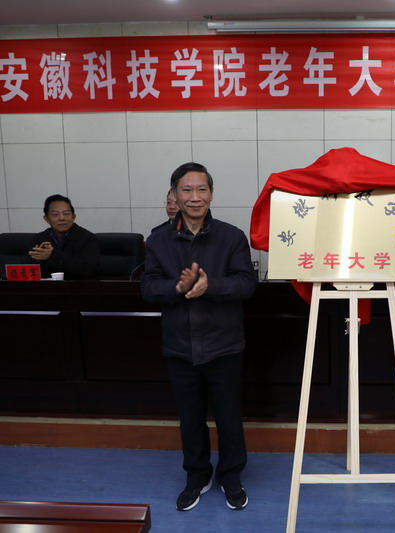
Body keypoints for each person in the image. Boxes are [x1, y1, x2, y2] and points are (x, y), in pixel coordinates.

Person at [141, 162, 257, 513]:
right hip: (180, 346)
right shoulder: (157, 240)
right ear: (174, 195)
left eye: (202, 189)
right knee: (190, 419)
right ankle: (197, 476)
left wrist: (211, 286)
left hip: (224, 345)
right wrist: (177, 288)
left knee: (228, 418)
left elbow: (247, 283)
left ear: (211, 194)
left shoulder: (232, 236)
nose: (195, 197)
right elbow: (148, 288)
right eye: (187, 190)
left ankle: (231, 476)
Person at [27, 194, 99, 279]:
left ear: (73, 217)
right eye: (55, 214)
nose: (62, 218)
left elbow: (88, 268)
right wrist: (37, 260)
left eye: (66, 214)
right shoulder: (39, 238)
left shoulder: (88, 238)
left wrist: (53, 255)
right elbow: (26, 270)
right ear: (46, 219)